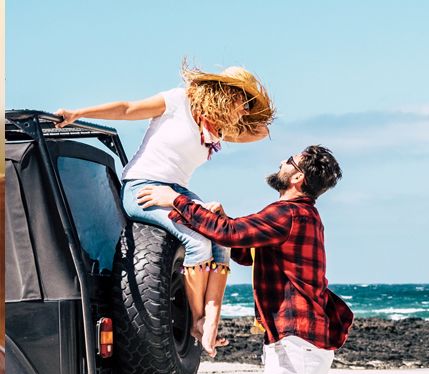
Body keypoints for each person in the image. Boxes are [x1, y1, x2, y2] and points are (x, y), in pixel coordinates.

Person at [136, 145, 353, 374]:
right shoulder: (305, 216)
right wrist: (220, 222)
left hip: (293, 338)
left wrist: (176, 201)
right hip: (310, 340)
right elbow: (242, 246)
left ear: (298, 177)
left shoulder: (286, 212)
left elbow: (232, 233)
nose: (283, 162)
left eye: (291, 159)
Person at [55, 62, 276, 356]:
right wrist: (78, 113)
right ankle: (198, 320)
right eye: (243, 100)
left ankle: (211, 320)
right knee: (197, 242)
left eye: (249, 104)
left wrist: (243, 110)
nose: (245, 109)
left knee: (221, 237)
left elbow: (259, 131)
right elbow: (127, 109)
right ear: (225, 92)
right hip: (143, 187)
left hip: (176, 192)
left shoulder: (214, 128)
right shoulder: (177, 101)